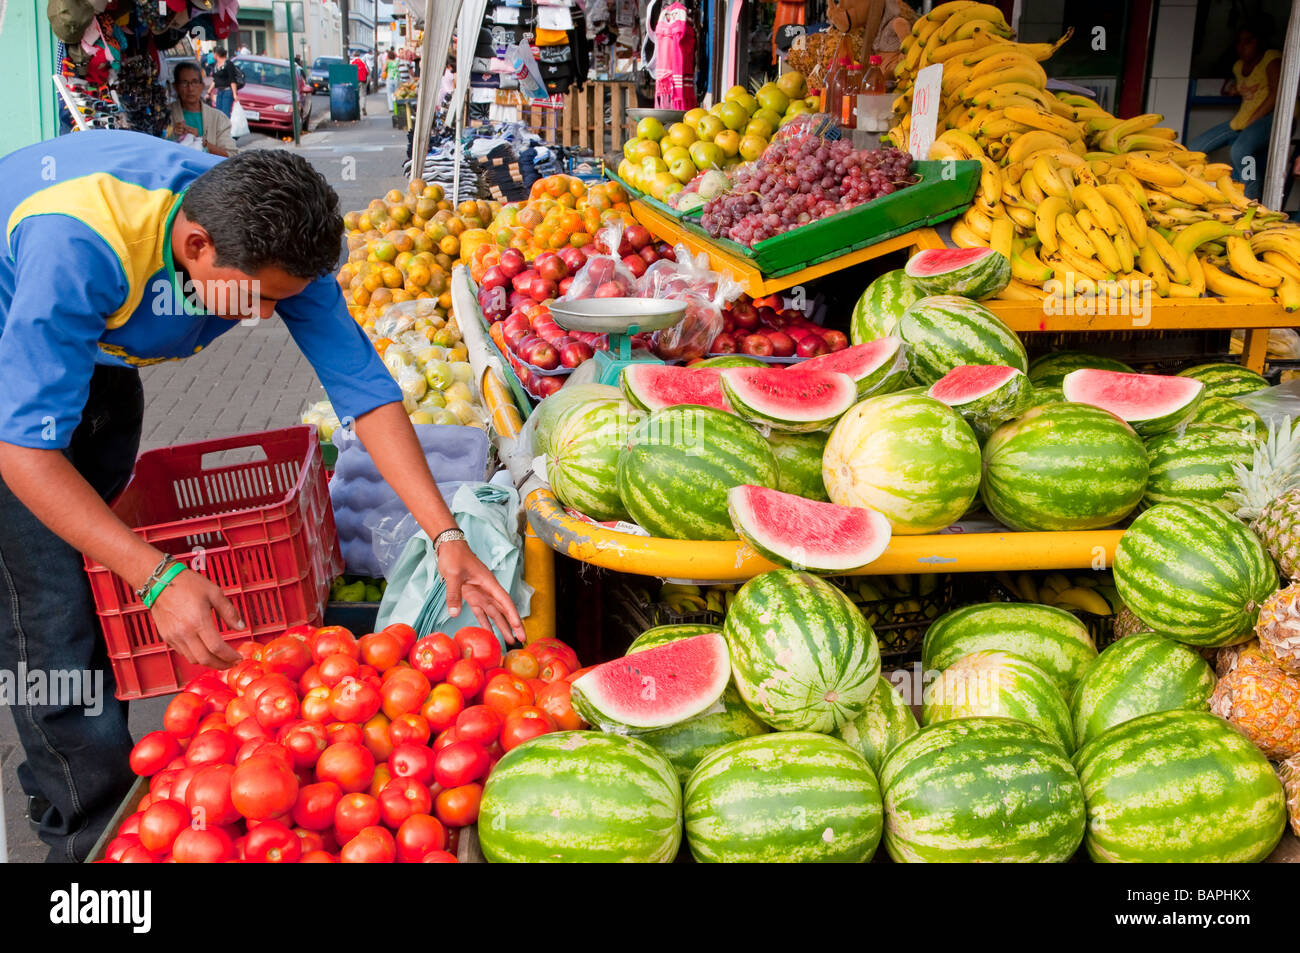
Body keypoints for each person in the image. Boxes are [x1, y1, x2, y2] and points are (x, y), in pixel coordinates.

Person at [0, 132, 526, 861]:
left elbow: (364, 393)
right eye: (258, 296)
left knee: (93, 577)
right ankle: (85, 844)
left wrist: (446, 535)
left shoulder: (269, 229)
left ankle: (55, 772)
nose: (261, 315)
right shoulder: (78, 247)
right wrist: (154, 574)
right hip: (15, 363)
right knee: (49, 609)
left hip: (98, 359)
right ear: (195, 243)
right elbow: (25, 454)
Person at [1188, 23, 1283, 202]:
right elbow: (1252, 88)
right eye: (1239, 42)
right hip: (1242, 121)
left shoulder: (1271, 58)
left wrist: (1254, 119)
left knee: (1242, 150)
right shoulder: (1239, 66)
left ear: (1261, 42)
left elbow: (1277, 93)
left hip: (1272, 118)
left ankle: (1250, 197)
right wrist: (1235, 89)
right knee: (1194, 150)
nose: (1242, 46)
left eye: (1249, 41)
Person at [169, 62, 237, 156]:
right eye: (184, 83)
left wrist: (202, 142)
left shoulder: (218, 118)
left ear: (202, 86)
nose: (190, 88)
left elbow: (231, 155)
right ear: (175, 87)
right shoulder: (166, 115)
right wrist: (171, 134)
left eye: (194, 82)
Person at [210, 45, 242, 117]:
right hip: (220, 91)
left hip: (227, 92)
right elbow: (215, 80)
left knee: (225, 113)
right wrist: (209, 91)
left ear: (216, 54)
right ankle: (220, 128)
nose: (212, 55)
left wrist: (234, 94)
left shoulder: (229, 64)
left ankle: (226, 127)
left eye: (213, 53)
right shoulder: (216, 65)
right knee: (218, 112)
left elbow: (232, 80)